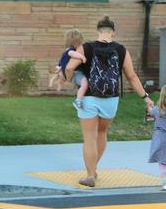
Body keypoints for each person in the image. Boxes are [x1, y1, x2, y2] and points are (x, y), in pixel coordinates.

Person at [65, 16, 154, 188]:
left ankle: (90, 175)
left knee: (89, 138)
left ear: (98, 31)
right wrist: (146, 97)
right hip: (111, 99)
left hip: (89, 98)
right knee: (102, 133)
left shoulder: (86, 47)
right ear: (113, 32)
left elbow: (69, 67)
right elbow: (132, 77)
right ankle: (94, 167)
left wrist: (71, 80)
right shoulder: (121, 50)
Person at [48, 29, 89, 110]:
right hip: (73, 73)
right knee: (85, 83)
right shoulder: (71, 50)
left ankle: (57, 85)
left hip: (64, 70)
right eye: (77, 43)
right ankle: (78, 101)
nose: (79, 44)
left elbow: (63, 60)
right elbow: (72, 54)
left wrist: (59, 68)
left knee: (60, 78)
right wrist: (82, 57)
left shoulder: (67, 50)